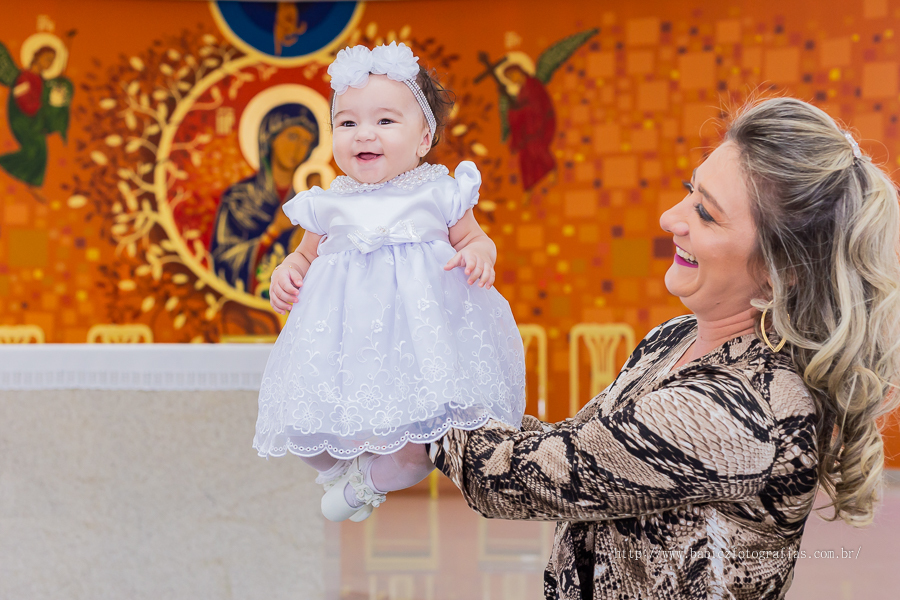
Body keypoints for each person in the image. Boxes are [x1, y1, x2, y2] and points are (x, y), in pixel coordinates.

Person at [429, 97, 900, 599]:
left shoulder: (736, 413)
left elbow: (510, 477)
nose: (669, 217)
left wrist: (411, 378)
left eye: (705, 213)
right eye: (688, 191)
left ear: (782, 269)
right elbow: (574, 445)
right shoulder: (673, 338)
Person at [253, 43, 526, 522]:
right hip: (345, 350)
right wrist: (287, 272)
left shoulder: (440, 192)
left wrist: (480, 256)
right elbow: (301, 256)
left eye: (384, 121)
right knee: (303, 429)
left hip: (416, 350)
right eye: (348, 122)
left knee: (422, 448)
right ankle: (340, 472)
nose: (365, 134)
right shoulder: (328, 202)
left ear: (424, 138)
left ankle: (366, 484)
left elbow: (476, 240)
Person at [209, 103, 318, 296]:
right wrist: (274, 230)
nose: (298, 148)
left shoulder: (311, 196)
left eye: (306, 141)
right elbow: (224, 262)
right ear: (271, 137)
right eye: (292, 136)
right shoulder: (239, 197)